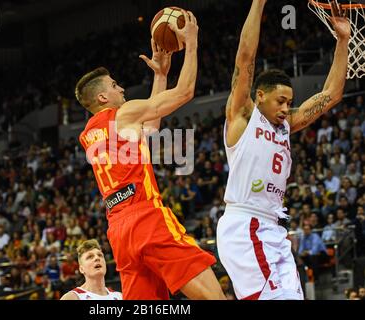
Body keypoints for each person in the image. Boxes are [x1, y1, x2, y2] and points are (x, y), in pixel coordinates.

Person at [76, 10, 225, 300]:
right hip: (146, 217)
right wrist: (192, 43)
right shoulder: (122, 114)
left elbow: (149, 130)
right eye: (115, 86)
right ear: (103, 98)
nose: (122, 89)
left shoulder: (89, 133)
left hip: (119, 232)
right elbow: (185, 92)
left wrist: (160, 75)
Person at [216, 0, 350, 300]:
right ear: (259, 95)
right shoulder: (243, 117)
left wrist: (342, 41)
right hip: (246, 224)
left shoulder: (287, 125)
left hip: (272, 228)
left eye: (290, 102)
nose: (286, 108)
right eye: (280, 101)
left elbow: (331, 95)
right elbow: (245, 60)